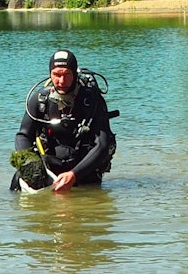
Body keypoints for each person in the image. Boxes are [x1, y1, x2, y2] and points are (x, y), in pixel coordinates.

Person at [12, 49, 115, 193]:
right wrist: (30, 163)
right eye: (56, 75)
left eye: (67, 75)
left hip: (85, 171)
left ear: (74, 74)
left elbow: (103, 145)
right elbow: (23, 135)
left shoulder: (92, 101)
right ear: (50, 73)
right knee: (19, 177)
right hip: (50, 168)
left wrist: (74, 175)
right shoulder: (40, 100)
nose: (61, 81)